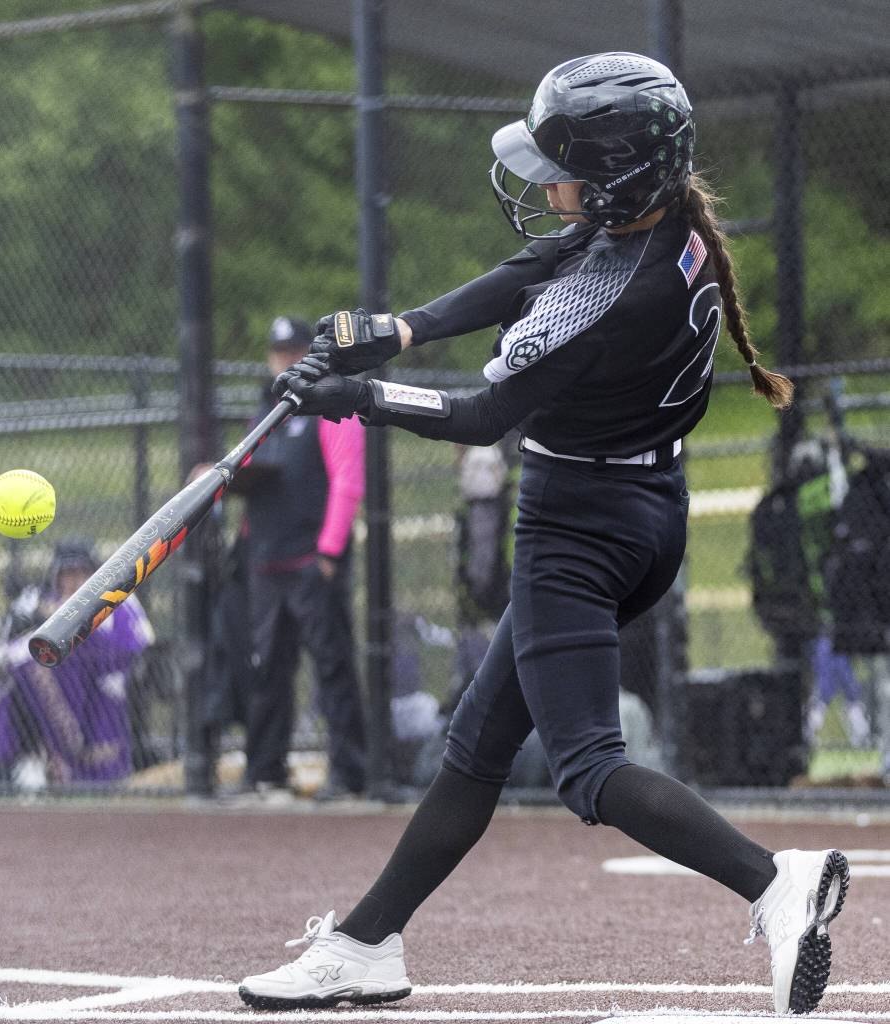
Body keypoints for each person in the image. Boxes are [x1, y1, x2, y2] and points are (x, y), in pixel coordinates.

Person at [238, 53, 849, 1016]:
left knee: (589, 768)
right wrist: (400, 329)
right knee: (477, 747)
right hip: (640, 512)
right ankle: (365, 945)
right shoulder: (665, 223)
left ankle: (775, 881)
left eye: (564, 172)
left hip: (578, 529)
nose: (546, 186)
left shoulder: (610, 300)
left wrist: (359, 397)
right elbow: (538, 265)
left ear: (617, 182)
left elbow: (486, 415)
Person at [238, 316, 368, 800]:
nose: (286, 362)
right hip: (267, 561)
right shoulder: (266, 410)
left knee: (332, 667)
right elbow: (247, 468)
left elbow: (348, 481)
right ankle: (265, 771)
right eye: (279, 354)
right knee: (267, 669)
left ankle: (350, 774)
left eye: (294, 353)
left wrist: (329, 551)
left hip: (313, 559)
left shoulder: (332, 405)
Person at [0, 538, 153, 787]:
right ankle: (28, 762)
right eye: (68, 573)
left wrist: (79, 627)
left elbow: (141, 646)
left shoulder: (118, 597)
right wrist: (46, 615)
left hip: (106, 682)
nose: (75, 581)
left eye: (82, 572)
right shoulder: (41, 601)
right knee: (26, 668)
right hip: (55, 688)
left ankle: (85, 765)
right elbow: (12, 648)